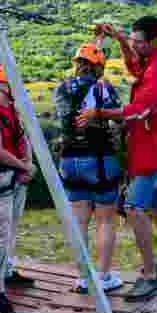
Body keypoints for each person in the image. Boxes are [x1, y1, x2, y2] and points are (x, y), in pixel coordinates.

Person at [79, 16, 157, 301]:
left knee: (133, 208)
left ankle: (151, 275)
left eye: (138, 42)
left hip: (155, 148)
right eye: (133, 40)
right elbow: (134, 66)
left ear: (154, 41)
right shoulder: (153, 60)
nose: (134, 46)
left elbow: (140, 110)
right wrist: (118, 38)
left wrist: (99, 113)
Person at [53, 42, 124, 294]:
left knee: (79, 221)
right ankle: (102, 276)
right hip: (99, 158)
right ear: (97, 68)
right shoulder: (103, 88)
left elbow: (66, 118)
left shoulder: (62, 88)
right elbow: (119, 117)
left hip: (70, 159)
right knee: (105, 220)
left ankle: (83, 278)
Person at [0, 65, 37, 301]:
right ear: (3, 84)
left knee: (11, 229)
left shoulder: (13, 111)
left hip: (17, 176)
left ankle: (7, 271)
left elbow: (25, 138)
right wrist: (25, 167)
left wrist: (28, 166)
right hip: (2, 177)